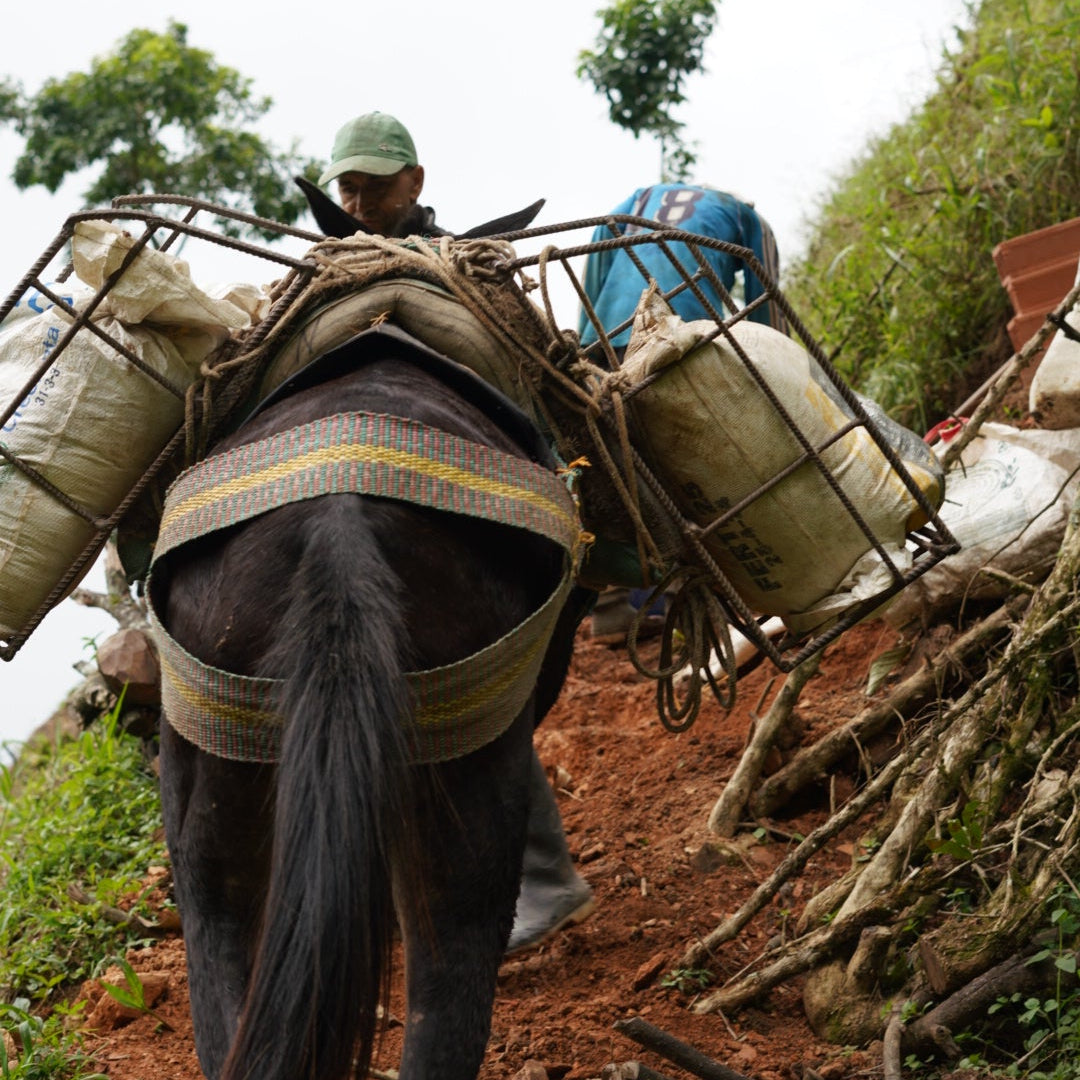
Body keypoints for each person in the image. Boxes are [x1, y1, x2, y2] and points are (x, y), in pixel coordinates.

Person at [307, 112, 594, 954]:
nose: (358, 202)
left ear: (415, 182)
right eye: (346, 188)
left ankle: (542, 875)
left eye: (372, 184)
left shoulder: (464, 265)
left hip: (455, 468)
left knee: (469, 684)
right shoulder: (323, 266)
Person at [579, 183, 788, 642]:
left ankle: (612, 605)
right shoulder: (746, 218)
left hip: (606, 343)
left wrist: (583, 367)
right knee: (686, 463)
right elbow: (766, 309)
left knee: (616, 467)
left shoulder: (630, 203)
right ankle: (684, 596)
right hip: (676, 343)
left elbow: (590, 289)